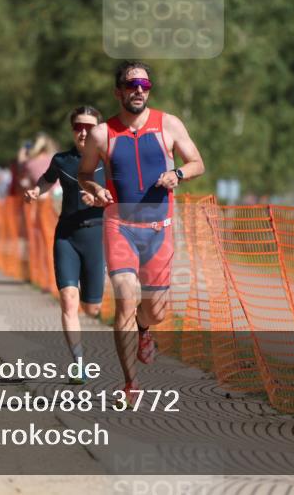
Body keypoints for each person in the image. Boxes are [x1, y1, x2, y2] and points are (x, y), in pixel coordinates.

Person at [78, 61, 204, 398]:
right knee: (125, 300)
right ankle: (130, 384)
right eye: (132, 85)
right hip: (120, 225)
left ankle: (144, 328)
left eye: (144, 86)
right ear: (118, 91)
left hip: (159, 229)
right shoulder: (102, 133)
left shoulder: (169, 125)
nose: (138, 91)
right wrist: (95, 188)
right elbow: (84, 173)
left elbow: (197, 163)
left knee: (156, 311)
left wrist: (177, 175)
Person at [25, 107, 106, 384]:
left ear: (99, 129)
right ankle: (79, 364)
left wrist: (99, 201)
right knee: (68, 301)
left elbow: (122, 198)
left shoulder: (109, 160)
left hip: (97, 237)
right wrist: (37, 191)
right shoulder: (62, 160)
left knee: (91, 309)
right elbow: (46, 180)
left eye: (88, 126)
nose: (83, 131)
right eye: (77, 126)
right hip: (67, 236)